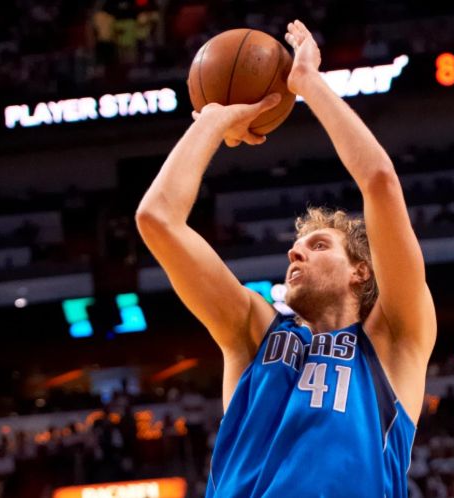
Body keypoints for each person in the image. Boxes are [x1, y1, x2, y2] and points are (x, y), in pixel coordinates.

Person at [135, 19, 436, 498]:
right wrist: (213, 119)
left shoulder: (394, 342)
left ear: (361, 271)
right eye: (298, 245)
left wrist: (309, 84)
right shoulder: (252, 333)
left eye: (319, 245)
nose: (295, 250)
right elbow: (157, 220)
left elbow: (379, 180)